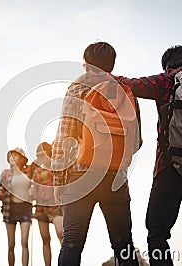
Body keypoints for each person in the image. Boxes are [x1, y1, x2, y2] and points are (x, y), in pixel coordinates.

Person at [117, 45, 182, 265]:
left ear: (167, 65)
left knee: (158, 232)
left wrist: (101, 74)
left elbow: (128, 84)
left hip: (168, 170)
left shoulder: (165, 81)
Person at [51, 42, 141, 266]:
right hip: (115, 177)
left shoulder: (76, 89)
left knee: (71, 242)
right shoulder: (124, 89)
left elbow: (64, 137)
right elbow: (136, 142)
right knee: (124, 244)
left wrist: (58, 181)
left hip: (80, 175)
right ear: (112, 64)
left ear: (86, 64)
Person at [0, 147, 32, 266]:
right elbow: (0, 190)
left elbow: (36, 188)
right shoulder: (5, 174)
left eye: (15, 156)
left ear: (21, 159)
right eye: (11, 156)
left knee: (24, 242)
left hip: (25, 208)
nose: (12, 158)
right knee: (11, 244)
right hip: (10, 208)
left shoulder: (29, 172)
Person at [30, 142, 63, 266]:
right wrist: (32, 191)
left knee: (61, 233)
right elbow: (34, 188)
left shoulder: (57, 167)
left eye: (43, 155)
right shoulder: (36, 171)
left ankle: (66, 261)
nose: (41, 158)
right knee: (45, 239)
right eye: (39, 155)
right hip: (41, 206)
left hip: (55, 205)